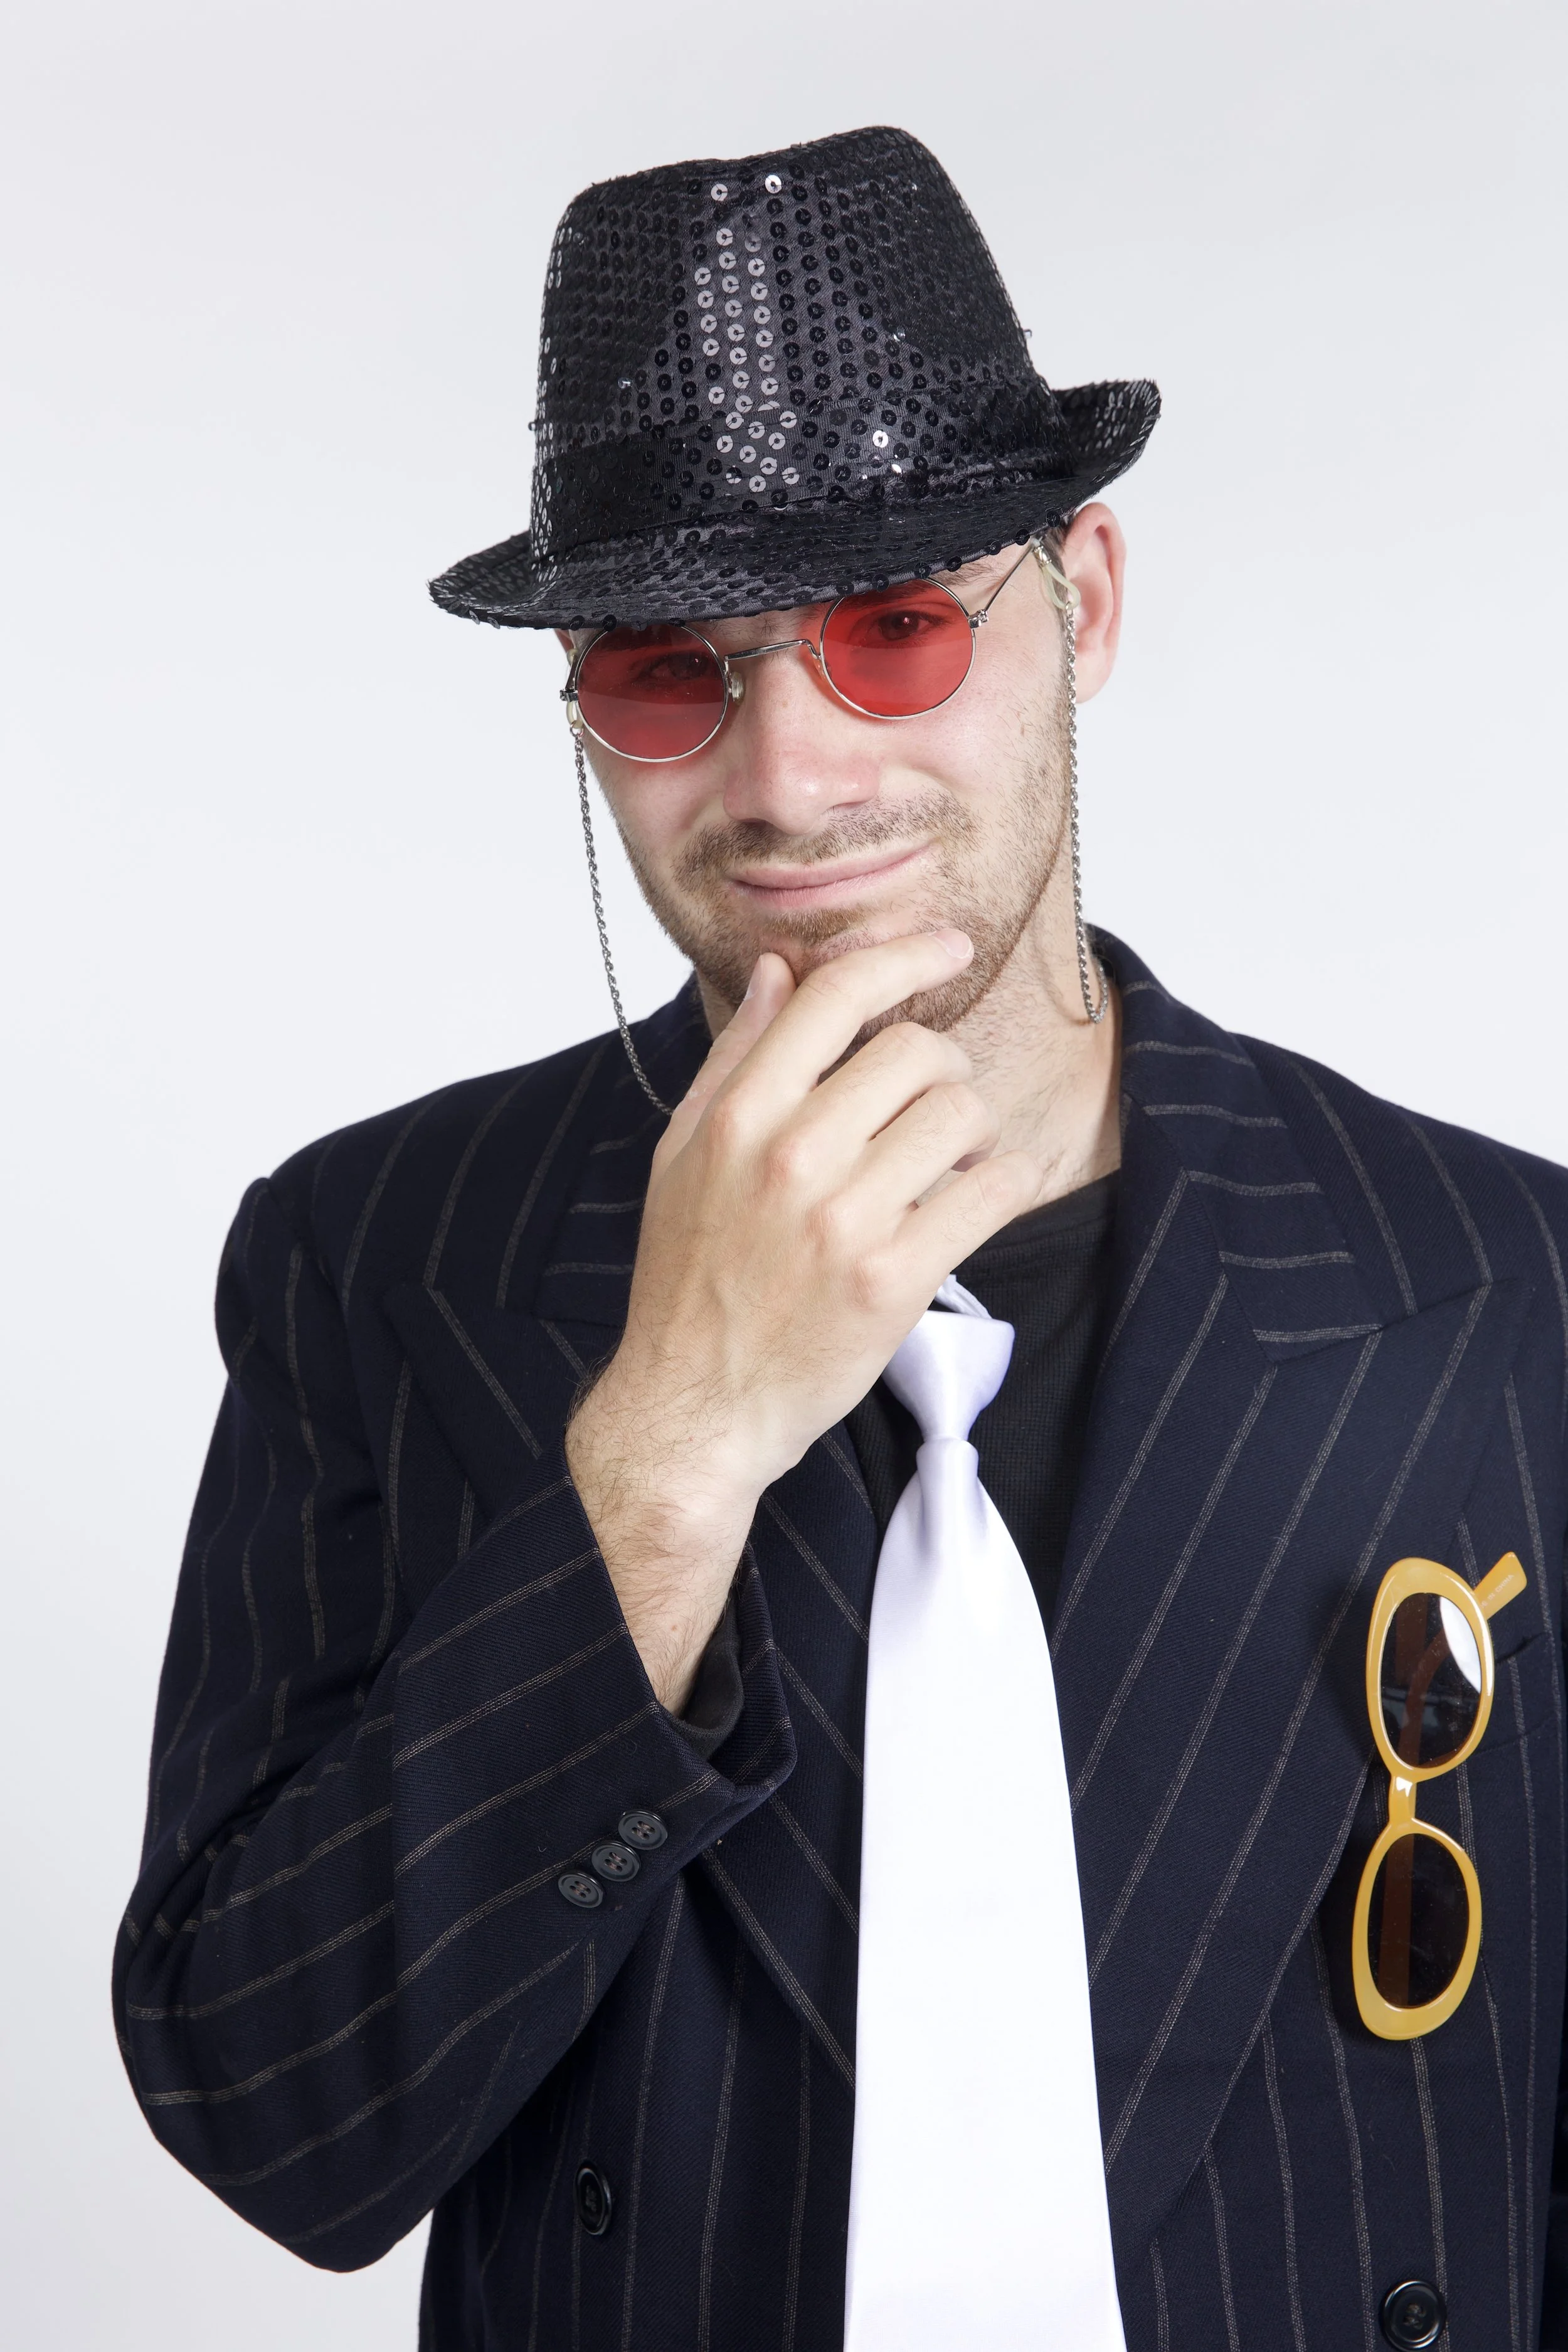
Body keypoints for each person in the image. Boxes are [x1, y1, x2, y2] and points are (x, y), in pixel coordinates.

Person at [115, 125, 1568, 2352]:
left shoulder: (1500, 1279)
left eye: (892, 631)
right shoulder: (376, 1259)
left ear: (1082, 603)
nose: (787, 778)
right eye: (665, 672)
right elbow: (278, 2123)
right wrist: (666, 1460)